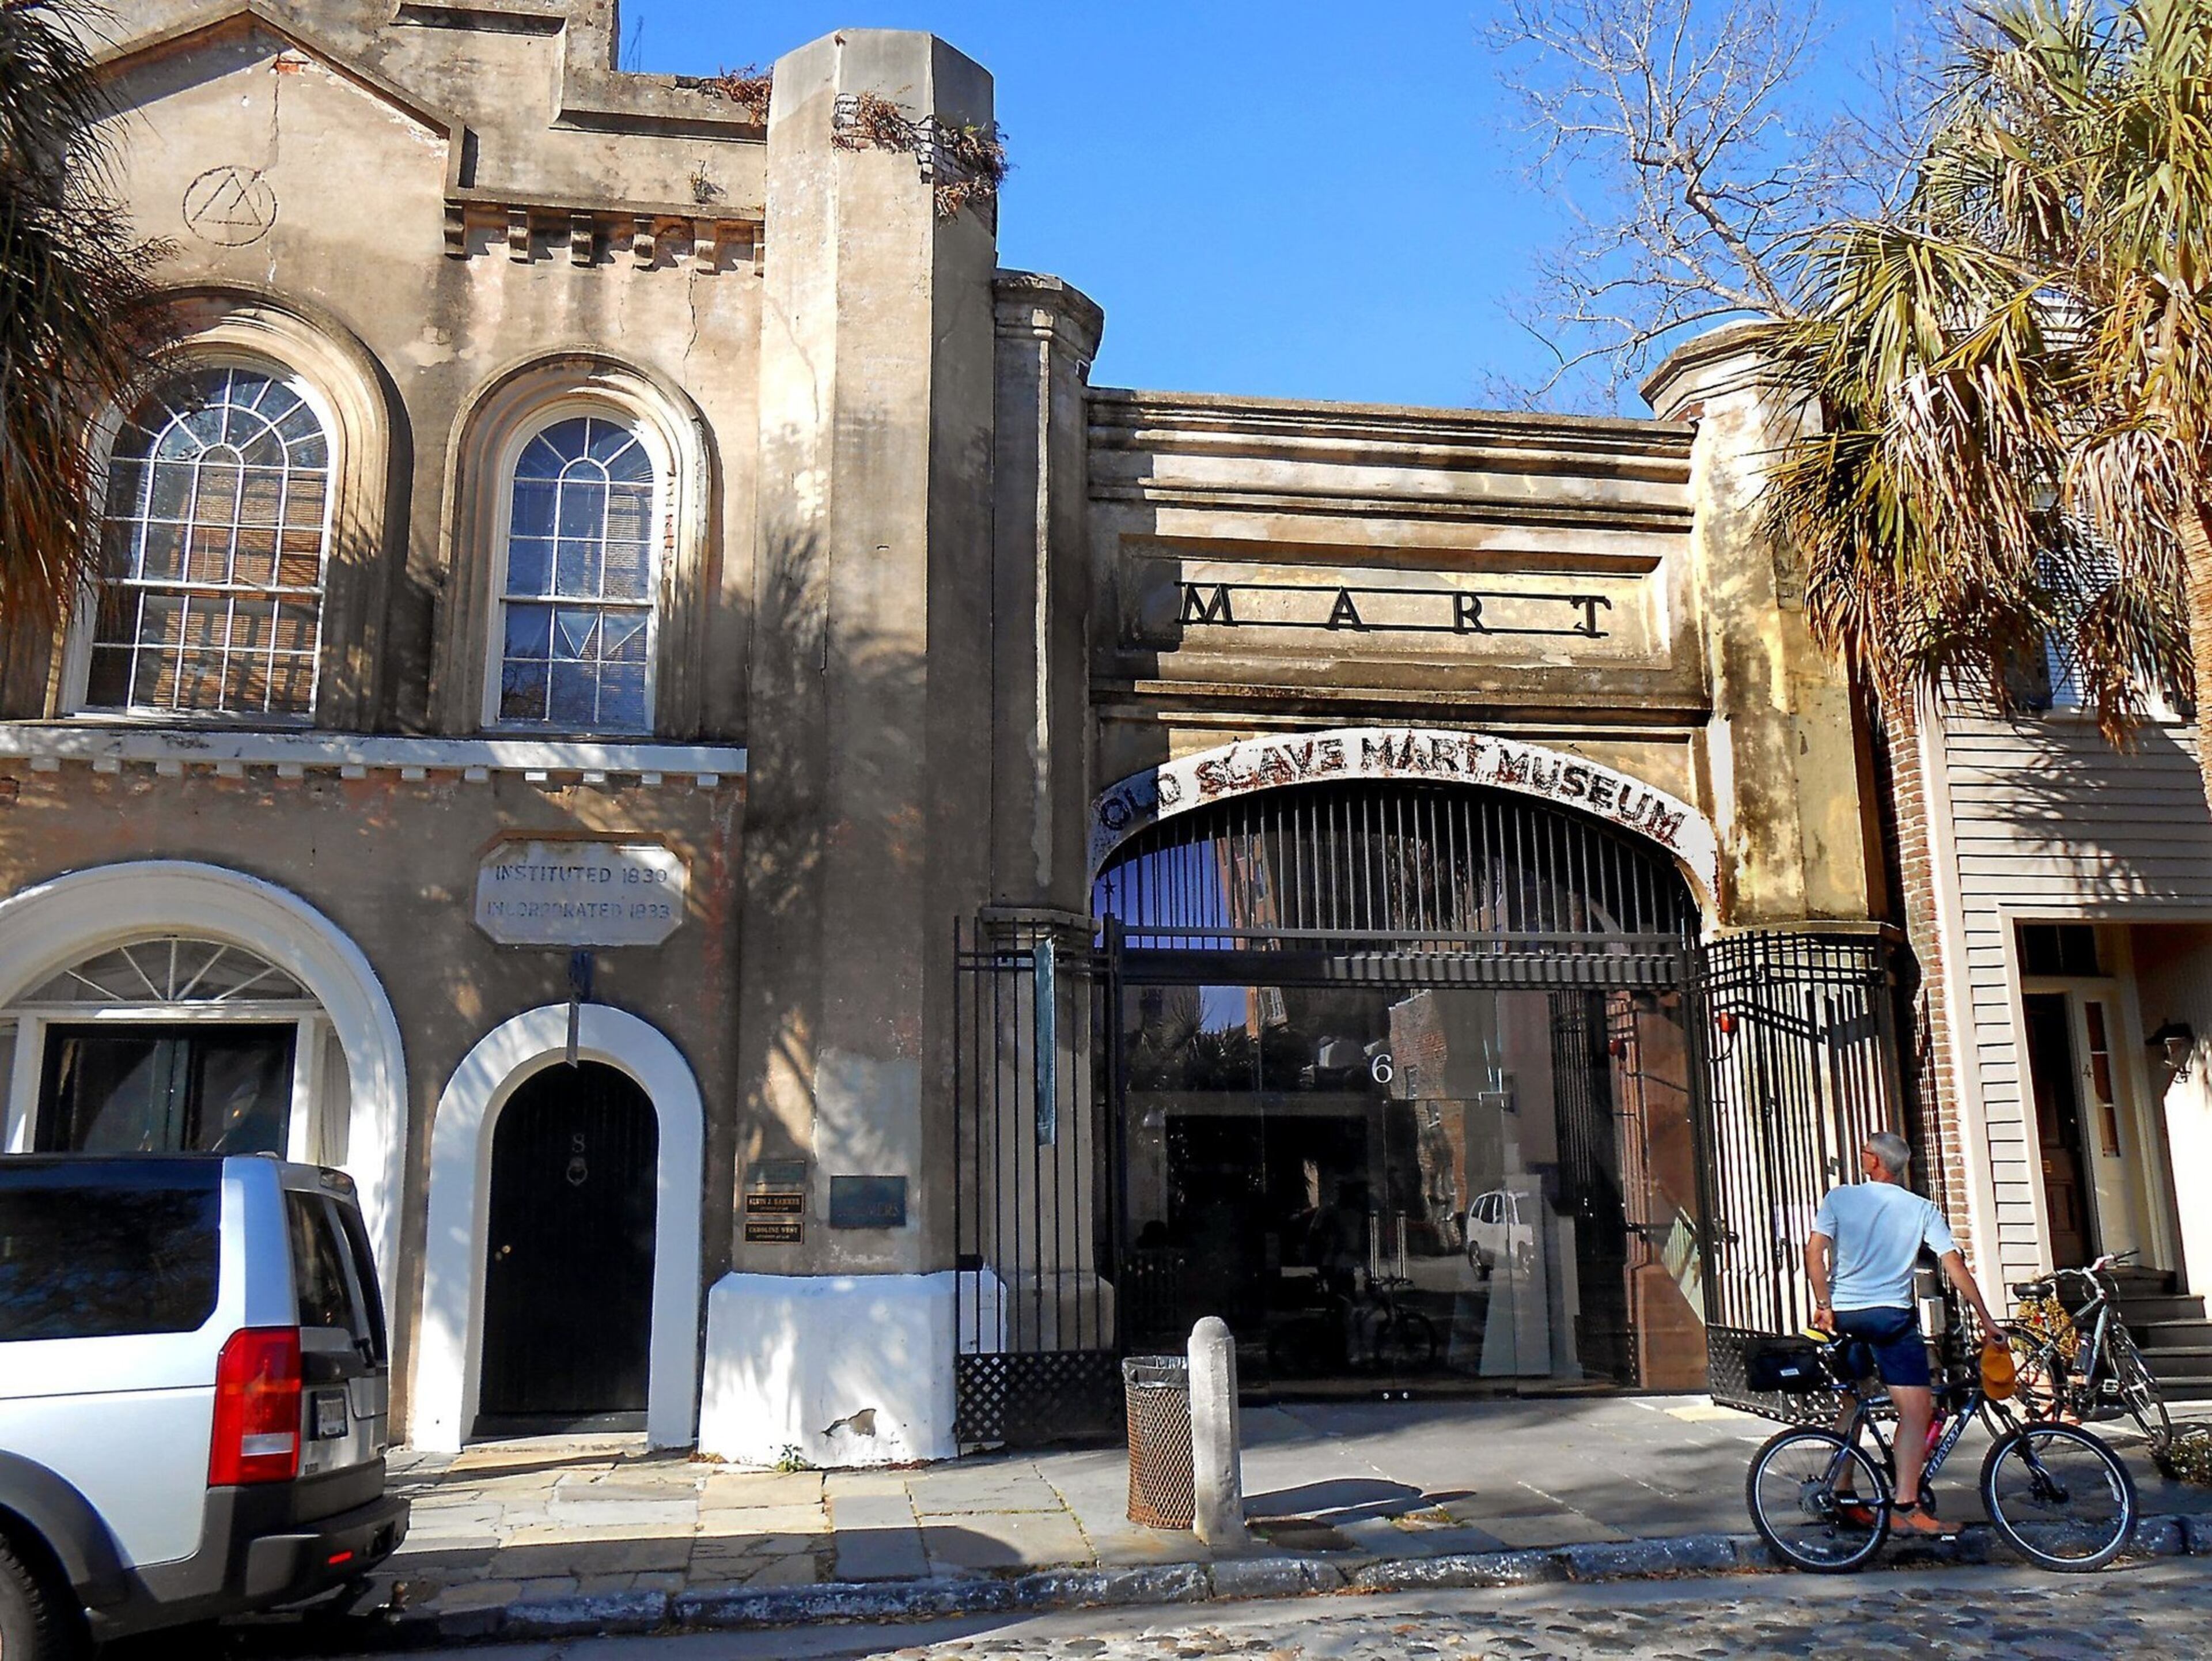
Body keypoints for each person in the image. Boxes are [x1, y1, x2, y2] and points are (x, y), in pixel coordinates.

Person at [1805, 1131, 2003, 1538]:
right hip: (1890, 1318)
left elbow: (1814, 1252)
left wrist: (1824, 1303)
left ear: (1875, 1162)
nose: (1862, 1157)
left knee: (1853, 1401)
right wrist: (1986, 1319)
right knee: (1916, 1412)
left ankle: (1841, 1492)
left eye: (1864, 1152)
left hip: (1846, 1315)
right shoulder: (1922, 1208)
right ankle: (1907, 1505)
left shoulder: (1839, 1198)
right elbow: (1954, 1266)